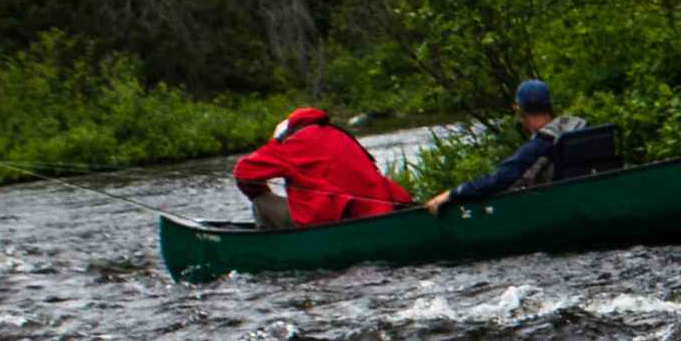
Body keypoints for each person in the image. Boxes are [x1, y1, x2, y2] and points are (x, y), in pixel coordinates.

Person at [427, 80, 598, 213]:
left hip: (564, 202)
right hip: (590, 193)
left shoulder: (539, 145)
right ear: (548, 106)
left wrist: (452, 194)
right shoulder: (579, 129)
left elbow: (498, 180)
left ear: (521, 111)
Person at [231, 106, 411, 228]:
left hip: (332, 219)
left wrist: (261, 191)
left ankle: (275, 248)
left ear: (286, 133)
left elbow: (243, 172)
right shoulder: (340, 134)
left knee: (260, 203)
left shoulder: (292, 143)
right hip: (378, 212)